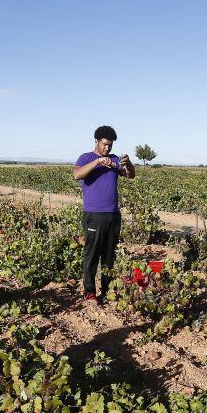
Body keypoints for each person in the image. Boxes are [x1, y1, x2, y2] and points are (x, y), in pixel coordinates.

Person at [73, 125, 135, 302]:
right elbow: (77, 175)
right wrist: (98, 162)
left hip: (113, 215)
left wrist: (127, 162)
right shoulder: (86, 157)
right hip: (94, 215)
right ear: (96, 141)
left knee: (109, 256)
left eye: (110, 145)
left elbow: (131, 175)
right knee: (92, 255)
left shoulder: (114, 159)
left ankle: (107, 290)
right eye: (104, 144)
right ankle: (90, 292)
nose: (107, 148)